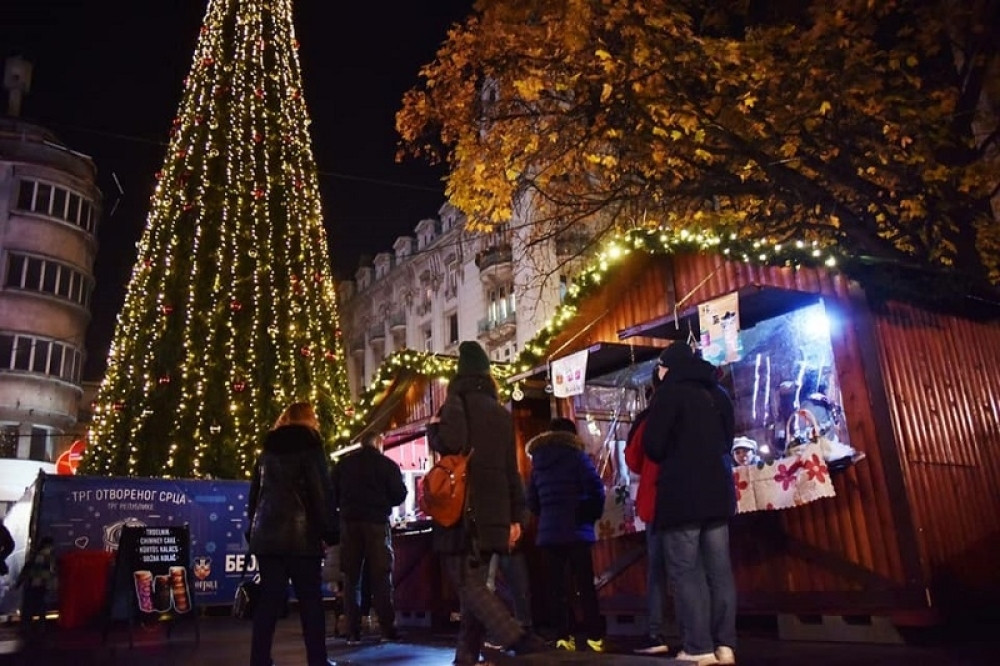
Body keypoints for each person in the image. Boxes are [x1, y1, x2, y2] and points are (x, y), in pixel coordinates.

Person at [427, 341, 551, 665]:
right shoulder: (499, 412)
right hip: (494, 514)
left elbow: (450, 442)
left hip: (464, 513)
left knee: (469, 587)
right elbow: (512, 469)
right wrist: (517, 516)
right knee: (477, 585)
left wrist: (433, 429)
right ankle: (465, 655)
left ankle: (516, 636)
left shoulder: (457, 402)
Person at [642, 341, 738, 666]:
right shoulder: (718, 393)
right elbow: (728, 440)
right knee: (719, 570)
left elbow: (653, 446)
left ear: (666, 367)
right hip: (718, 492)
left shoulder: (668, 394)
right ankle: (725, 645)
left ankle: (699, 647)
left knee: (686, 570)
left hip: (682, 494)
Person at [247, 401, 337, 666]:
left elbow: (255, 496)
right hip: (302, 536)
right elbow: (320, 491)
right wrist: (330, 531)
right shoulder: (311, 446)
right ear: (309, 419)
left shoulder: (266, 450)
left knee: (268, 602)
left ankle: (259, 660)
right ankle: (317, 660)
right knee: (310, 602)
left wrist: (253, 531)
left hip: (268, 536)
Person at [526, 417, 607, 653]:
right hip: (577, 530)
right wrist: (589, 515)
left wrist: (547, 515)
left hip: (550, 533)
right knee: (585, 585)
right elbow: (596, 489)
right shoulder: (577, 457)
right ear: (572, 435)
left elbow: (532, 500)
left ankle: (563, 636)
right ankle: (594, 636)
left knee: (556, 588)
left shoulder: (538, 463)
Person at [332, 431, 407, 644]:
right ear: (379, 443)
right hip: (376, 523)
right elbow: (399, 494)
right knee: (381, 576)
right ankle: (387, 628)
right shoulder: (387, 465)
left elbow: (331, 492)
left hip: (349, 523)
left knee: (351, 578)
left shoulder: (344, 465)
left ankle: (353, 632)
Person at [624, 372, 670, 655]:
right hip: (698, 499)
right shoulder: (706, 401)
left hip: (658, 500)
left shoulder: (649, 417)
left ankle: (657, 633)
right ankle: (706, 636)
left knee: (659, 572)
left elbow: (633, 459)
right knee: (697, 570)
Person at [16, 535, 56, 637]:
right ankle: (39, 628)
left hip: (31, 585)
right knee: (41, 608)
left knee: (28, 608)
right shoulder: (49, 558)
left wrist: (19, 582)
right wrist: (52, 586)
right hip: (41, 586)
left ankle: (26, 628)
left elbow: (26, 570)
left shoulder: (34, 555)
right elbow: (50, 574)